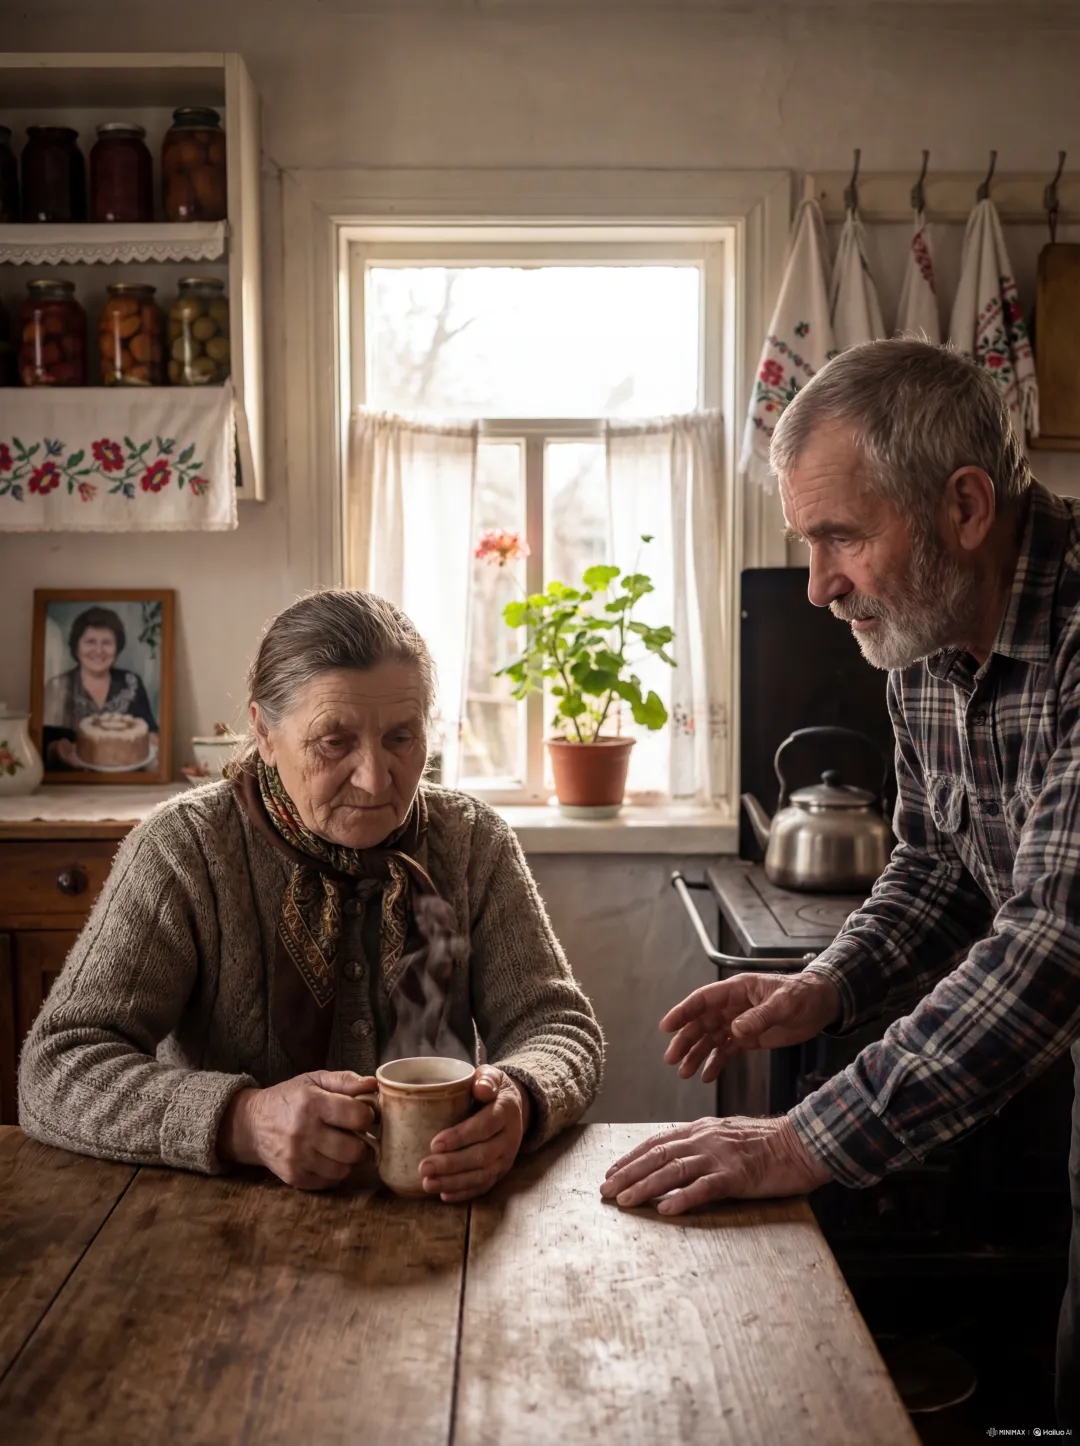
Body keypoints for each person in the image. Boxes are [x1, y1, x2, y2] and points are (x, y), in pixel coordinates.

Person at [600, 338, 1080, 1422]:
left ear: (963, 505)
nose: (817, 587)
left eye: (840, 538)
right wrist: (824, 985)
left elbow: (1055, 939)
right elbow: (937, 862)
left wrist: (800, 1141)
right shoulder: (924, 628)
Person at [20, 589, 604, 1202]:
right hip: (217, 1230)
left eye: (401, 738)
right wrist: (242, 1121)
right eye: (334, 741)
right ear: (264, 733)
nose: (376, 779)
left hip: (446, 1220)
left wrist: (522, 1098)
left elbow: (557, 1026)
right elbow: (56, 1067)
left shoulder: (473, 842)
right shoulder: (184, 849)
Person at [42, 605, 158, 770]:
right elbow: (45, 745)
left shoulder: (132, 682)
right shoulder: (57, 686)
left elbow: (150, 732)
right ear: (77, 646)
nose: (99, 650)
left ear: (117, 648)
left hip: (127, 780)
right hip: (71, 782)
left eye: (107, 643)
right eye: (90, 642)